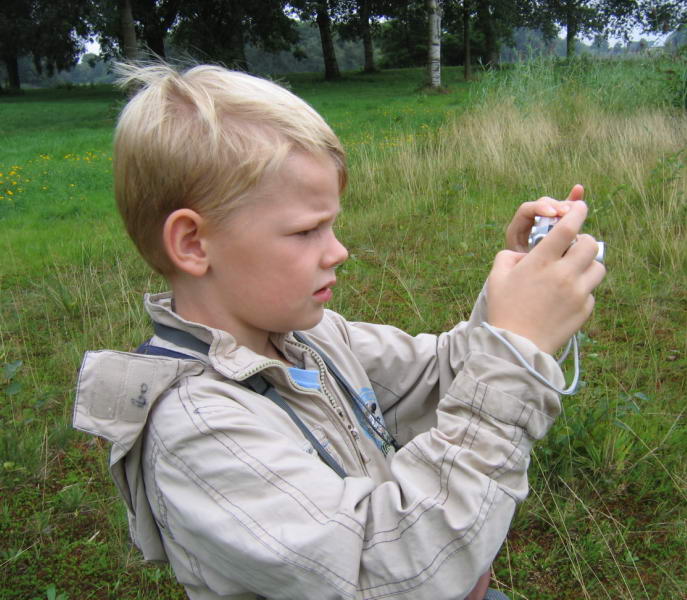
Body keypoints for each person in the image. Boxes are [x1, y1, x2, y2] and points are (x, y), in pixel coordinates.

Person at [73, 63, 605, 600]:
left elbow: (439, 375)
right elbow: (382, 571)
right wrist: (514, 351)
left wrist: (515, 294)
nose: (339, 251)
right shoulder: (197, 431)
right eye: (306, 230)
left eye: (331, 225)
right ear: (192, 243)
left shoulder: (311, 336)